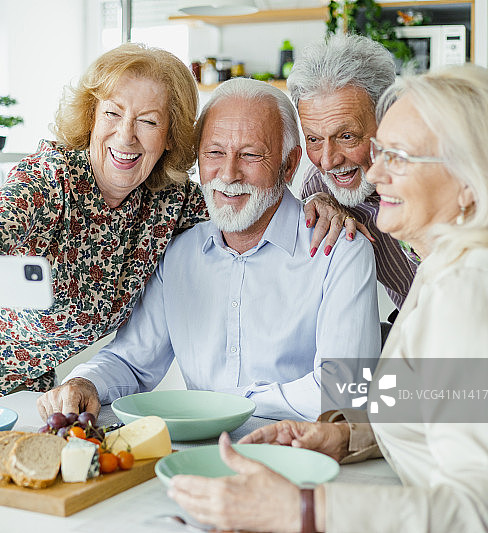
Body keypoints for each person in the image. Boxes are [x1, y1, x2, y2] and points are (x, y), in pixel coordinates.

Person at [167, 65, 488, 532]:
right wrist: (345, 436)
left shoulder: (480, 291)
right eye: (380, 150)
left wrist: (301, 510)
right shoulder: (450, 267)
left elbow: (480, 512)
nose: (375, 170)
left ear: (472, 180)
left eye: (399, 157)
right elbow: (448, 403)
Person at [0, 43, 209, 407]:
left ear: (171, 135)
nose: (126, 135)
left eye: (148, 121)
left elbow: (238, 211)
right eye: (112, 113)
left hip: (18, 373)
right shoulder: (52, 177)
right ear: (92, 117)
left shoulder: (172, 201)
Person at [36, 78, 380, 422]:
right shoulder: (178, 252)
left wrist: (226, 404)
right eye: (214, 153)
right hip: (195, 449)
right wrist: (86, 382)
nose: (228, 174)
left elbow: (345, 391)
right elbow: (132, 360)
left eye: (250, 154)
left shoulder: (342, 252)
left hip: (299, 450)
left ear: (289, 165)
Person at [289, 34, 418, 312]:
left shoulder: (432, 169)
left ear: (388, 115)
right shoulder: (319, 187)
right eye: (314, 139)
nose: (328, 161)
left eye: (347, 136)